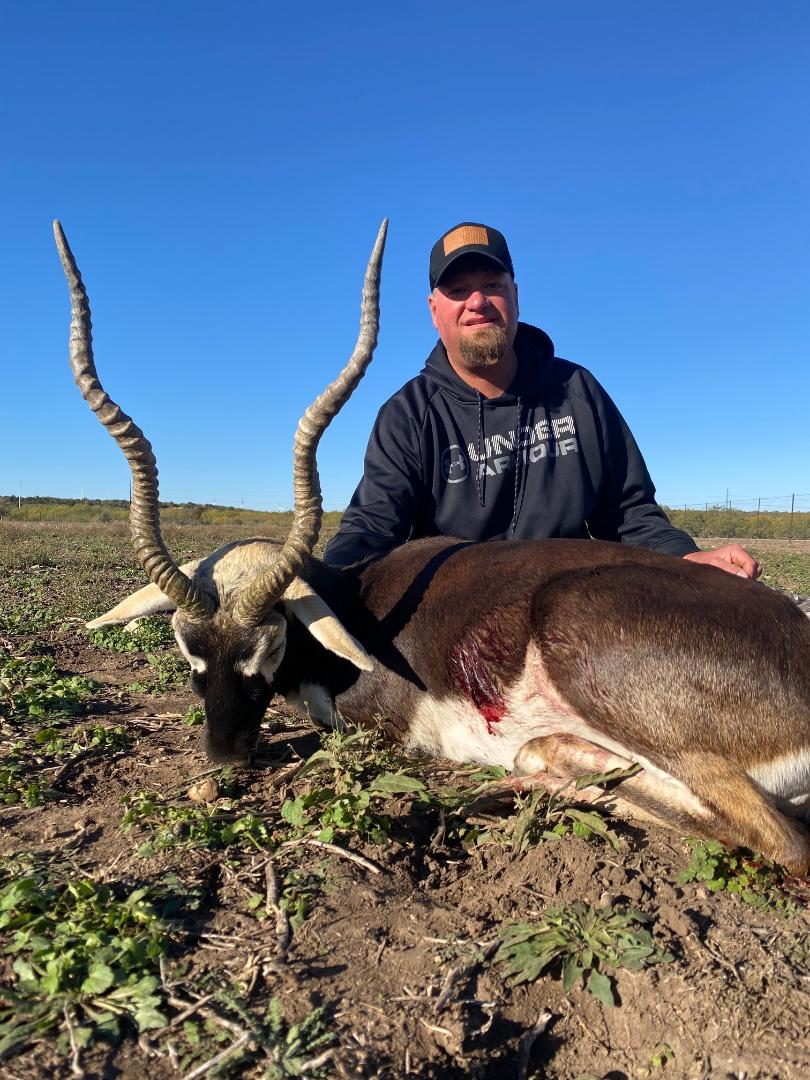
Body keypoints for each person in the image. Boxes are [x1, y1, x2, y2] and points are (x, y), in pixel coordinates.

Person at [324, 221, 760, 580]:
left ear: (515, 295)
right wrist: (324, 579)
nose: (477, 301)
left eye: (492, 284)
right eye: (458, 290)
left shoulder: (577, 389)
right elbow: (371, 529)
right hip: (452, 625)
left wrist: (685, 557)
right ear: (434, 309)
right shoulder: (408, 416)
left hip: (572, 606)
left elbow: (630, 512)